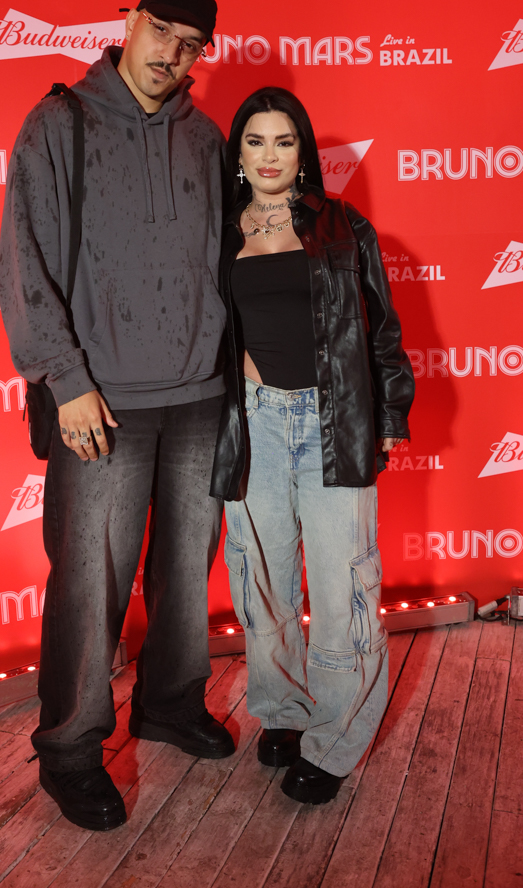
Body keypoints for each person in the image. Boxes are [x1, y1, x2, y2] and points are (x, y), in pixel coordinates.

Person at [0, 0, 234, 833]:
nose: (173, 52)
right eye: (161, 30)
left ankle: (169, 703)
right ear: (129, 22)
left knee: (184, 570)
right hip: (102, 401)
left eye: (191, 43)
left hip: (200, 393)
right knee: (88, 582)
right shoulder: (59, 123)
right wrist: (64, 381)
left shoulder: (206, 138)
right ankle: (69, 749)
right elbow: (24, 260)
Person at [210, 87, 415, 804]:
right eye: (255, 141)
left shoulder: (342, 226)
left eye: (284, 140)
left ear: (302, 153)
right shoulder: (215, 232)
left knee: (342, 588)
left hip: (333, 420)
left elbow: (381, 325)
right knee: (260, 582)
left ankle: (334, 741)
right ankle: (284, 711)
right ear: (237, 153)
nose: (269, 156)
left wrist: (389, 413)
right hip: (252, 422)